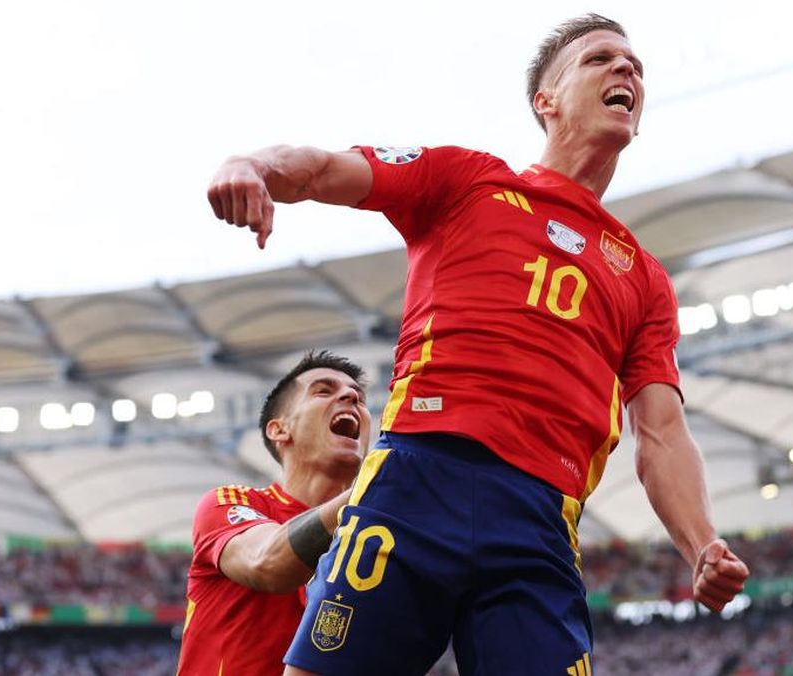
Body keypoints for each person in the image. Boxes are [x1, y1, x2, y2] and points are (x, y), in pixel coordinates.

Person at [206, 14, 750, 675]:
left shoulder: (643, 278)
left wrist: (702, 544)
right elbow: (322, 169)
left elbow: (661, 433)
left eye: (635, 66)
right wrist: (251, 165)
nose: (626, 70)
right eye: (600, 59)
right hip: (417, 479)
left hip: (539, 519)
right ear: (545, 101)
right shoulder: (466, 182)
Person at [175, 351, 371, 675]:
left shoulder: (378, 536)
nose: (351, 397)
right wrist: (371, 491)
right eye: (323, 390)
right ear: (279, 430)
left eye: (359, 398)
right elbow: (267, 563)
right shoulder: (230, 502)